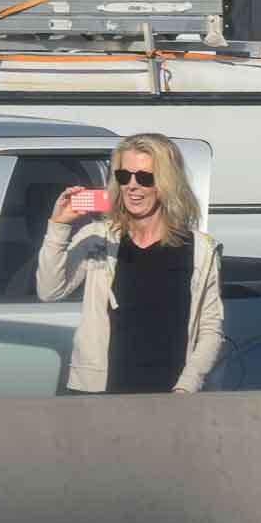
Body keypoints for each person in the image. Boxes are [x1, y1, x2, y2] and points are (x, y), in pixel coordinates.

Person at [36, 133, 225, 393]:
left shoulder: (200, 250)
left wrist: (187, 386)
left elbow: (210, 330)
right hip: (99, 393)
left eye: (144, 178)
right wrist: (58, 226)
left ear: (167, 183)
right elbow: (49, 291)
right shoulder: (98, 238)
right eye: (124, 176)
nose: (132, 186)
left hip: (171, 395)